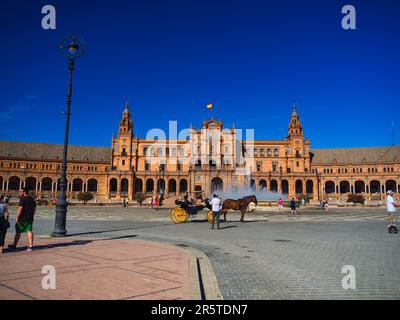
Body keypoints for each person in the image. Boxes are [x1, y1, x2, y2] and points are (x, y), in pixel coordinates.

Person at [9, 187, 36, 251]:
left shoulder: (22, 199)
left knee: (18, 231)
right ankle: (31, 246)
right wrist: (32, 215)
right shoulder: (32, 199)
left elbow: (20, 209)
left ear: (24, 192)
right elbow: (34, 208)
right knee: (29, 231)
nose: (20, 193)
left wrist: (17, 217)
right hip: (30, 218)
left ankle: (14, 245)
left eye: (21, 192)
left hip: (22, 218)